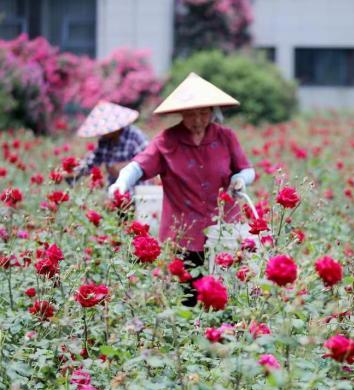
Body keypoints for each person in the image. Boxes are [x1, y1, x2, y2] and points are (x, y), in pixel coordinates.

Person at [108, 72, 255, 306]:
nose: (197, 120)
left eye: (203, 113)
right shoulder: (167, 141)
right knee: (190, 298)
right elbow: (137, 166)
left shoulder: (225, 137)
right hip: (184, 234)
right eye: (191, 114)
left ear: (212, 111)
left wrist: (240, 179)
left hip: (222, 230)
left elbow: (247, 170)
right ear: (181, 114)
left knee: (226, 295)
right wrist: (121, 183)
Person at [73, 101, 149, 186]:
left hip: (138, 189)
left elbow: (148, 162)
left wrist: (125, 167)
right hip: (115, 189)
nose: (102, 133)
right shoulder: (104, 141)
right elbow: (91, 162)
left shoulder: (135, 137)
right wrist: (72, 170)